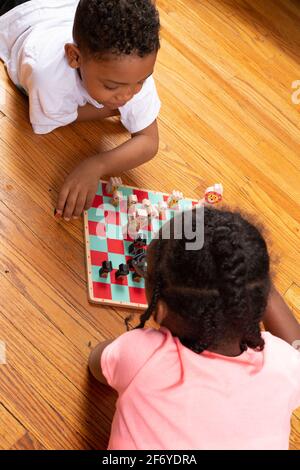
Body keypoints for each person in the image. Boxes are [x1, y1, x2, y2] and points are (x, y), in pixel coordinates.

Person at [89, 206, 300, 450]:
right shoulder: (282, 366)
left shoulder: (142, 355)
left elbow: (97, 364)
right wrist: (245, 280)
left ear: (160, 309)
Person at [0, 0, 160, 220]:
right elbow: (56, 119)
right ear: (74, 57)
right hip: (17, 11)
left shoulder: (130, 69)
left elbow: (149, 142)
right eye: (111, 87)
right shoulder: (47, 77)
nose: (128, 95)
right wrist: (111, 110)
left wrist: (97, 165)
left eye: (143, 80)